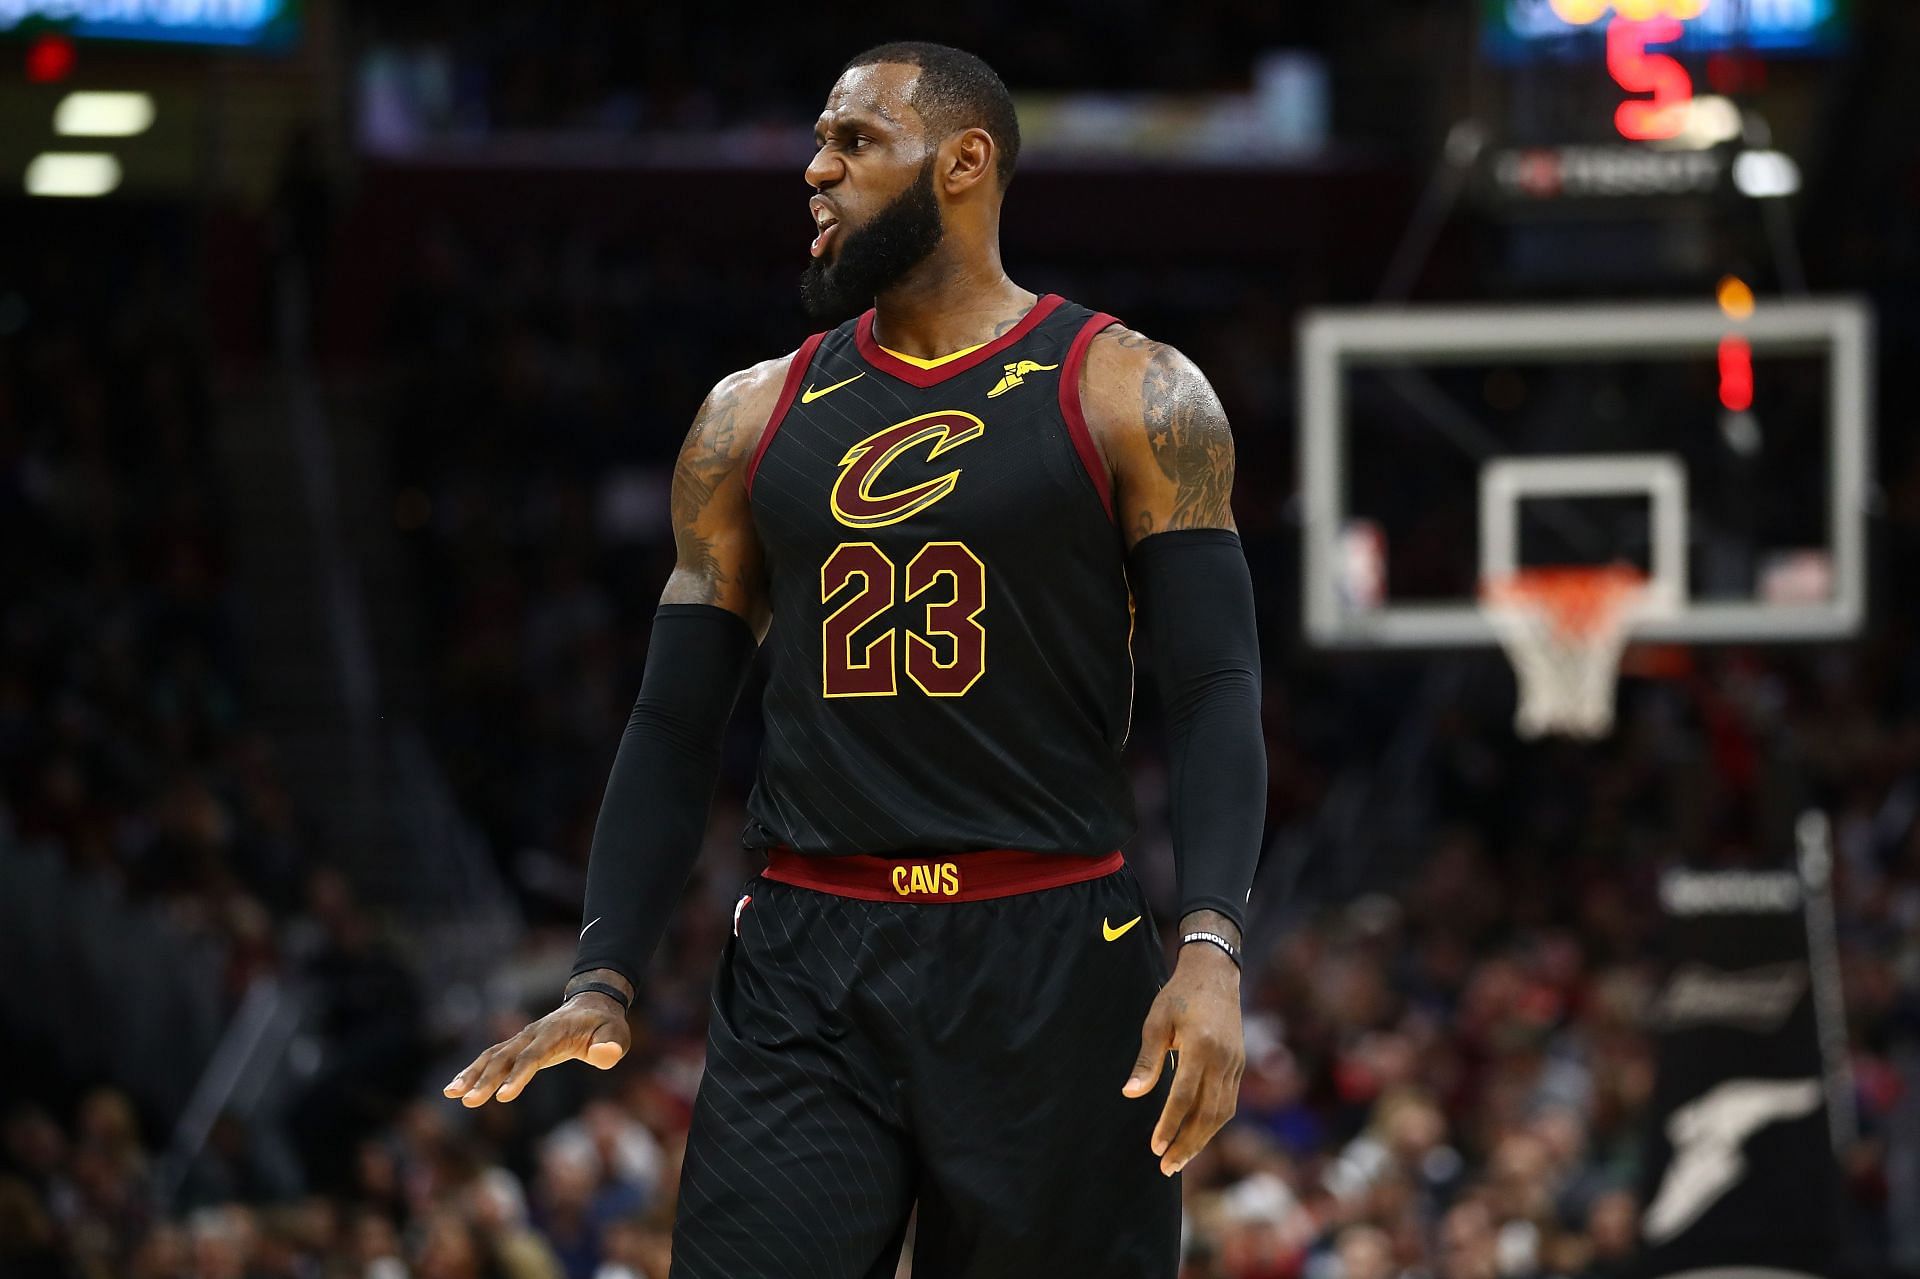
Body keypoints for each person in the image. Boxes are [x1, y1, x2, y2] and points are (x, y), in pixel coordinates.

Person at [446, 40, 1267, 1277]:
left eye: (855, 142)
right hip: (807, 962)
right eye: (819, 142)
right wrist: (603, 973)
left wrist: (1210, 947)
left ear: (964, 161)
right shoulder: (747, 415)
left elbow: (1212, 689)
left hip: (1052, 951)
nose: (817, 170)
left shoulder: (1133, 392)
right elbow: (674, 723)